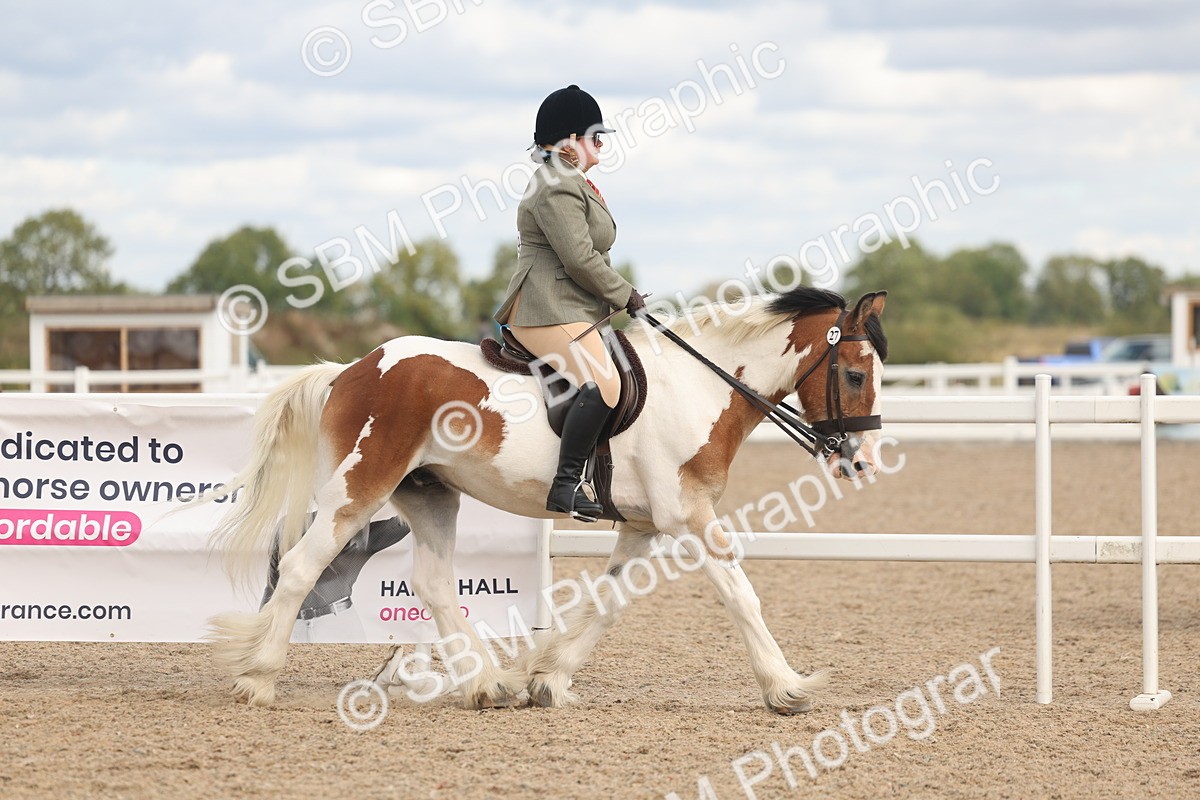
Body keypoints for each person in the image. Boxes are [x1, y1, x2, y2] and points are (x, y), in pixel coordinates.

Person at [494, 85, 647, 521]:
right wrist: (624, 293)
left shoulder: (571, 180)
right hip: (545, 308)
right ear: (570, 140)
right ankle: (565, 485)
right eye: (596, 137)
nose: (601, 146)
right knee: (606, 384)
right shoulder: (555, 184)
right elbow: (579, 258)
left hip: (570, 308)